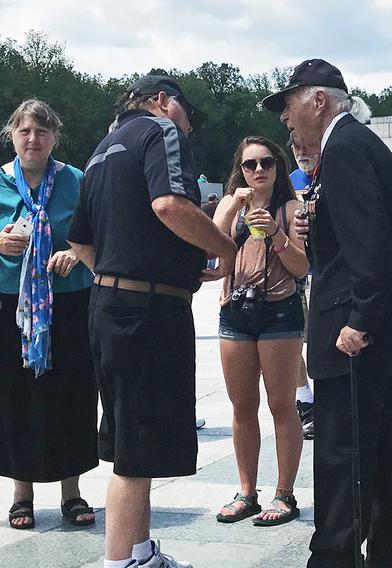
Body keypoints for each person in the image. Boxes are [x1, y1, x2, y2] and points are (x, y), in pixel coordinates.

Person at [264, 58, 392, 567]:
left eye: (289, 104)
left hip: (354, 333)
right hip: (372, 330)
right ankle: (388, 556)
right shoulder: (358, 145)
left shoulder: (344, 148)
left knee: (345, 458)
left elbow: (372, 244)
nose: (285, 118)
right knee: (381, 456)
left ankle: (334, 559)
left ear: (319, 100)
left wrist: (359, 320)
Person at [67, 75, 237, 568]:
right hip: (148, 312)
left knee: (131, 440)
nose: (189, 127)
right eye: (187, 114)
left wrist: (120, 270)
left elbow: (79, 242)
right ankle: (121, 561)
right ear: (163, 101)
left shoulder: (101, 149)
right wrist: (225, 249)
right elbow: (169, 204)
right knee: (135, 450)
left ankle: (140, 552)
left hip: (108, 307)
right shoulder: (159, 132)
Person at [0, 99, 97, 530]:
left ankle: (71, 491)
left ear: (55, 136)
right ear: (12, 137)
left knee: (72, 394)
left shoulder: (75, 180)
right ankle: (22, 493)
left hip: (70, 301)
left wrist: (74, 254)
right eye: (24, 131)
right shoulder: (0, 182)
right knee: (16, 396)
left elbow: (97, 232)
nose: (33, 139)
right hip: (12, 305)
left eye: (41, 131)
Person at [211, 136, 309, 526]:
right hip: (235, 311)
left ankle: (284, 494)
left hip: (279, 312)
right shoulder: (232, 206)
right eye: (249, 164)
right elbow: (211, 242)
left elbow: (302, 268)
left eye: (266, 163)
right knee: (241, 406)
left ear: (278, 167)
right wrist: (232, 204)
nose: (258, 171)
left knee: (281, 405)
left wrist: (276, 235)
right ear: (240, 168)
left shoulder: (292, 209)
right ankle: (247, 491)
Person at [288, 135, 316, 439]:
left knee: (321, 342)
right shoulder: (291, 179)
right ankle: (306, 400)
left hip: (322, 272)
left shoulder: (329, 172)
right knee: (295, 342)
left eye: (306, 145)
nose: (301, 152)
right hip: (295, 273)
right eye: (296, 147)